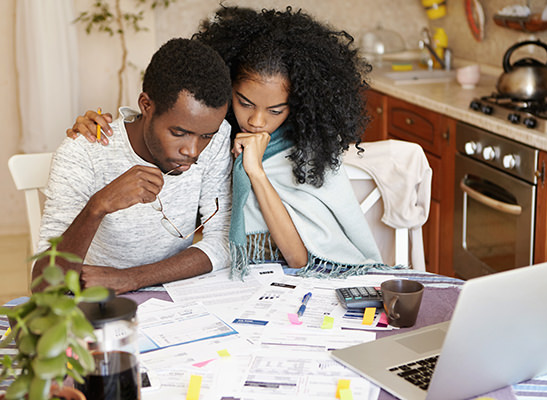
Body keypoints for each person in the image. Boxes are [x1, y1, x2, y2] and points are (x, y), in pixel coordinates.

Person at [69, 6, 392, 280]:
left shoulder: (306, 153)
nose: (257, 121)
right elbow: (159, 122)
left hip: (284, 279)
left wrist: (255, 171)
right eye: (245, 102)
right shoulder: (210, 133)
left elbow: (298, 258)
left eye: (276, 110)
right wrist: (104, 124)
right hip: (212, 274)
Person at [34, 38, 233, 294]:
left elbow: (224, 243)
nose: (193, 151)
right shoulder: (85, 151)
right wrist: (98, 207)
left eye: (206, 136)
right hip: (98, 301)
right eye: (178, 132)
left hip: (176, 295)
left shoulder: (216, 135)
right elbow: (42, 285)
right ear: (146, 105)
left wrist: (133, 278)